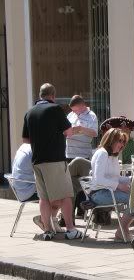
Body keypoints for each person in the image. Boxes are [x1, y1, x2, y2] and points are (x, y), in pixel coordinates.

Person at [22, 83, 82, 240]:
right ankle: (70, 230)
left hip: (37, 161)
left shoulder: (29, 112)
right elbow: (68, 132)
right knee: (67, 195)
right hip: (54, 159)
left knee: (44, 198)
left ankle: (47, 231)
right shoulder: (55, 109)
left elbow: (25, 139)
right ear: (53, 96)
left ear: (40, 95)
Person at [90, 128, 134, 242]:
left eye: (123, 141)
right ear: (110, 140)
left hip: (108, 191)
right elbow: (98, 179)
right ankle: (121, 231)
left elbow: (115, 177)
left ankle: (122, 230)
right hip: (98, 194)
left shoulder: (113, 155)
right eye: (119, 140)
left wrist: (131, 179)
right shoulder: (102, 153)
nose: (122, 144)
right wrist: (119, 186)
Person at [11, 143, 64, 233]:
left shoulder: (24, 146)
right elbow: (46, 174)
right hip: (28, 191)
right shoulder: (36, 151)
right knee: (61, 195)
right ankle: (47, 220)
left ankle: (49, 220)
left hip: (20, 189)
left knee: (57, 189)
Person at [66, 95, 98, 162]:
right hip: (69, 155)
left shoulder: (91, 116)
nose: (73, 112)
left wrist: (81, 129)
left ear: (82, 106)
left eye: (75, 110)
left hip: (83, 156)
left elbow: (94, 133)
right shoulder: (70, 115)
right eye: (72, 110)